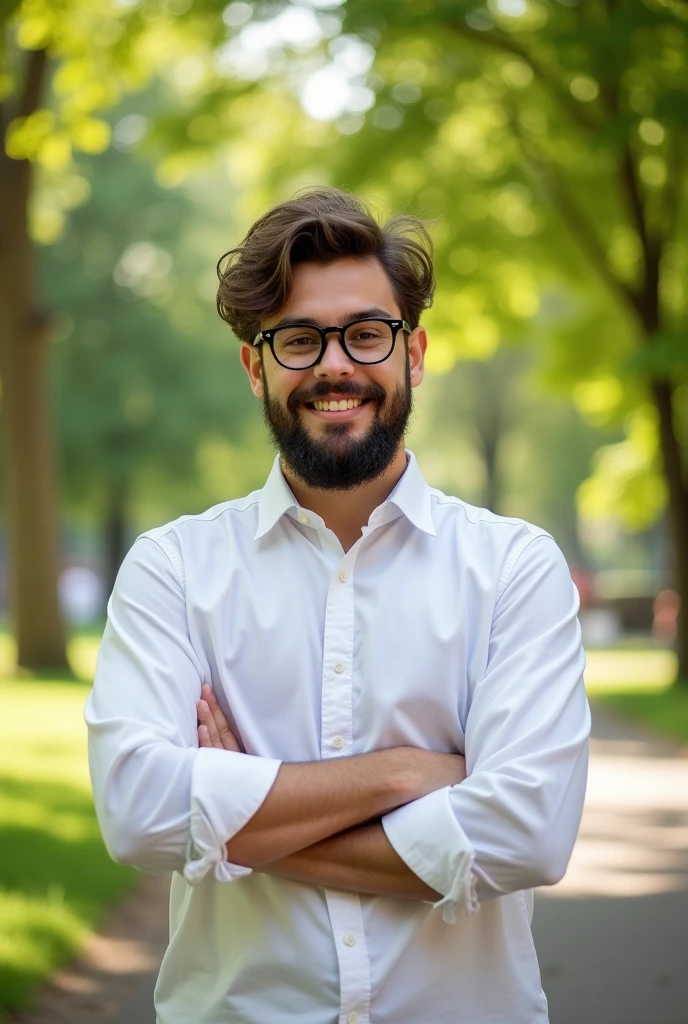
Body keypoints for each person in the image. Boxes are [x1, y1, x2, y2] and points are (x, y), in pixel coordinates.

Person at [86, 188, 590, 1024]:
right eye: (297, 339)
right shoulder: (172, 569)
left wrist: (238, 819)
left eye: (365, 333)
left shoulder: (514, 569)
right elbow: (140, 814)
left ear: (414, 353)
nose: (335, 366)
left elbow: (526, 834)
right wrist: (408, 775)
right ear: (257, 366)